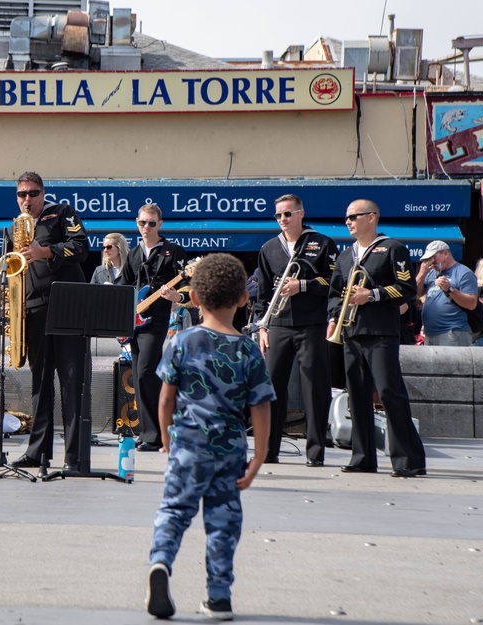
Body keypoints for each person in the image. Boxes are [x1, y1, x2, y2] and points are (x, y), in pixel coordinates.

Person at [146, 253, 274, 621]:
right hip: (230, 449)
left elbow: (166, 397)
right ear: (243, 298)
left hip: (187, 444)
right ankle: (218, 597)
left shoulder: (182, 341)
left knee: (174, 510)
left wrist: (168, 440)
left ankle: (160, 563)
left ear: (195, 298)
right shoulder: (249, 350)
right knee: (223, 521)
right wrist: (259, 457)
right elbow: (261, 408)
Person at [327, 199, 426, 478]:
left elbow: (406, 288)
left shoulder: (392, 248)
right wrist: (335, 317)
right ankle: (362, 457)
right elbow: (335, 294)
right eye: (346, 218)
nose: (348, 222)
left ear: (371, 217)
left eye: (353, 217)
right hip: (351, 332)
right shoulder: (345, 256)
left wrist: (371, 295)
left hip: (381, 331)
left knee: (389, 393)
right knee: (356, 395)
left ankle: (409, 459)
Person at [9, 172, 89, 470]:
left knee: (71, 380)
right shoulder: (15, 228)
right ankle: (37, 451)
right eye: (21, 194)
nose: (26, 199)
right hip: (34, 310)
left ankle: (75, 457)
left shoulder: (62, 213)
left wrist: (47, 252)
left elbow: (81, 247)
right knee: (40, 383)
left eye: (32, 193)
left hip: (67, 305)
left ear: (43, 193)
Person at [256, 194, 338, 466]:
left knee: (315, 388)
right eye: (278, 215)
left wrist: (302, 285)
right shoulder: (269, 248)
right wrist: (262, 327)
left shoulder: (322, 243)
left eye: (288, 214)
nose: (282, 219)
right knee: (272, 387)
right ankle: (269, 450)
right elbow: (263, 292)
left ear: (301, 214)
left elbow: (334, 284)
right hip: (278, 325)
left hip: (311, 325)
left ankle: (315, 453)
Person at [119, 203, 188, 452]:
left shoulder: (173, 251)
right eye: (142, 222)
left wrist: (176, 297)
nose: (146, 227)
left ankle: (156, 434)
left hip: (156, 321)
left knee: (146, 371)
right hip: (135, 321)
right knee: (138, 375)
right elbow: (124, 285)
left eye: (151, 223)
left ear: (160, 224)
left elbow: (188, 283)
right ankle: (150, 431)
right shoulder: (134, 253)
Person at [416, 240, 478, 346]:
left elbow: (472, 304)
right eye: (427, 259)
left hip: (453, 331)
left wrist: (450, 289)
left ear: (445, 253)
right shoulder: (431, 273)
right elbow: (416, 294)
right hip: (430, 333)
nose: (431, 262)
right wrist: (422, 273)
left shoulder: (464, 273)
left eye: (433, 257)